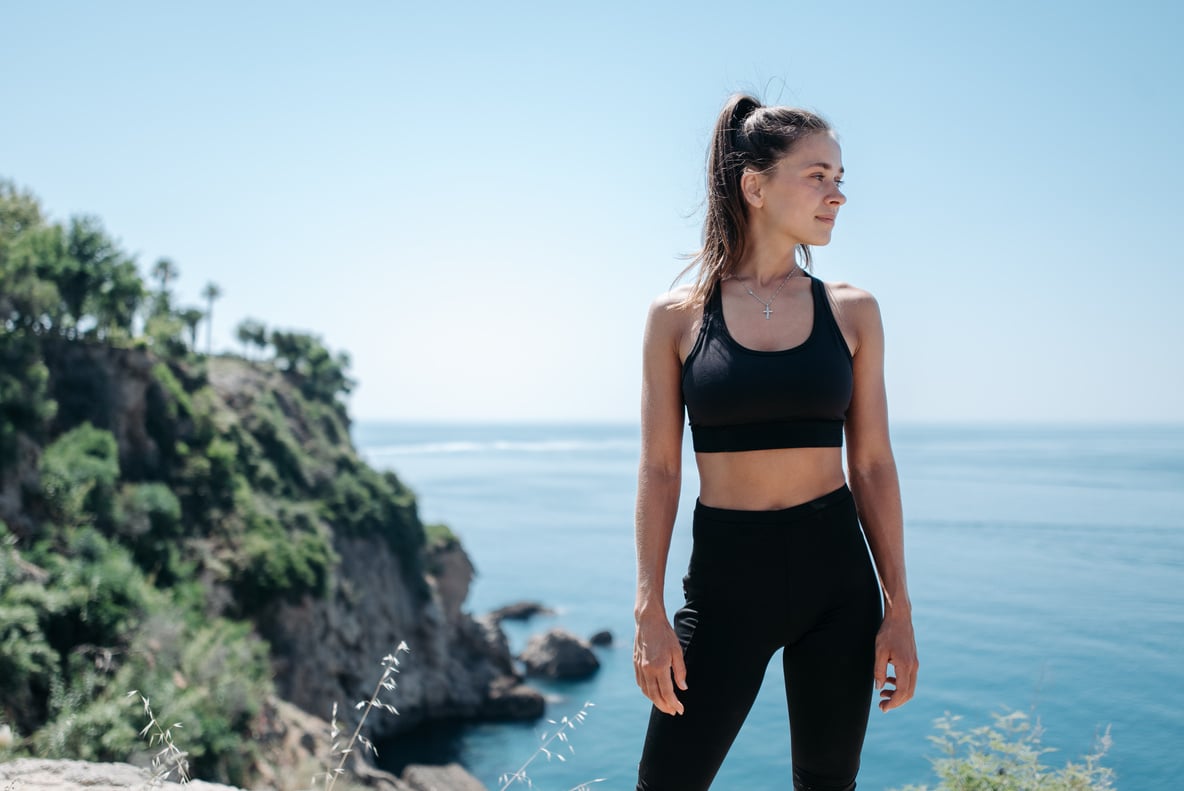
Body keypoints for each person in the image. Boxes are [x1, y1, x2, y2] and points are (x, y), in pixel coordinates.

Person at [632, 94, 918, 791]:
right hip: (727, 579)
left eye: (840, 176)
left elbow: (874, 463)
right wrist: (648, 608)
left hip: (836, 578)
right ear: (755, 186)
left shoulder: (852, 311)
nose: (838, 194)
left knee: (827, 784)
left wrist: (899, 605)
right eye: (817, 175)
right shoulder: (676, 319)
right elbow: (661, 469)